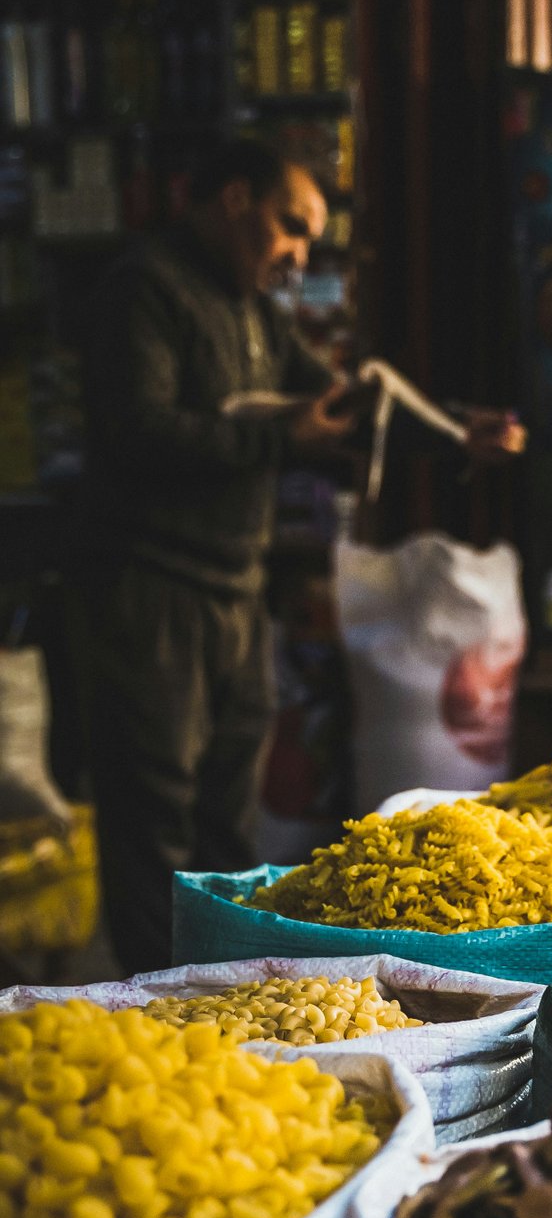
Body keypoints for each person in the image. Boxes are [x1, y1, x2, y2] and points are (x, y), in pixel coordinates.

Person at [75, 137, 361, 975]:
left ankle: (225, 997)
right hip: (150, 593)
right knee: (153, 822)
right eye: (289, 227)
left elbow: (331, 402)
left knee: (229, 826)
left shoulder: (255, 312)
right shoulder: (146, 289)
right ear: (234, 200)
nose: (298, 253)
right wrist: (283, 433)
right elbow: (140, 433)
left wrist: (451, 429)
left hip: (236, 593)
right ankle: (156, 1011)